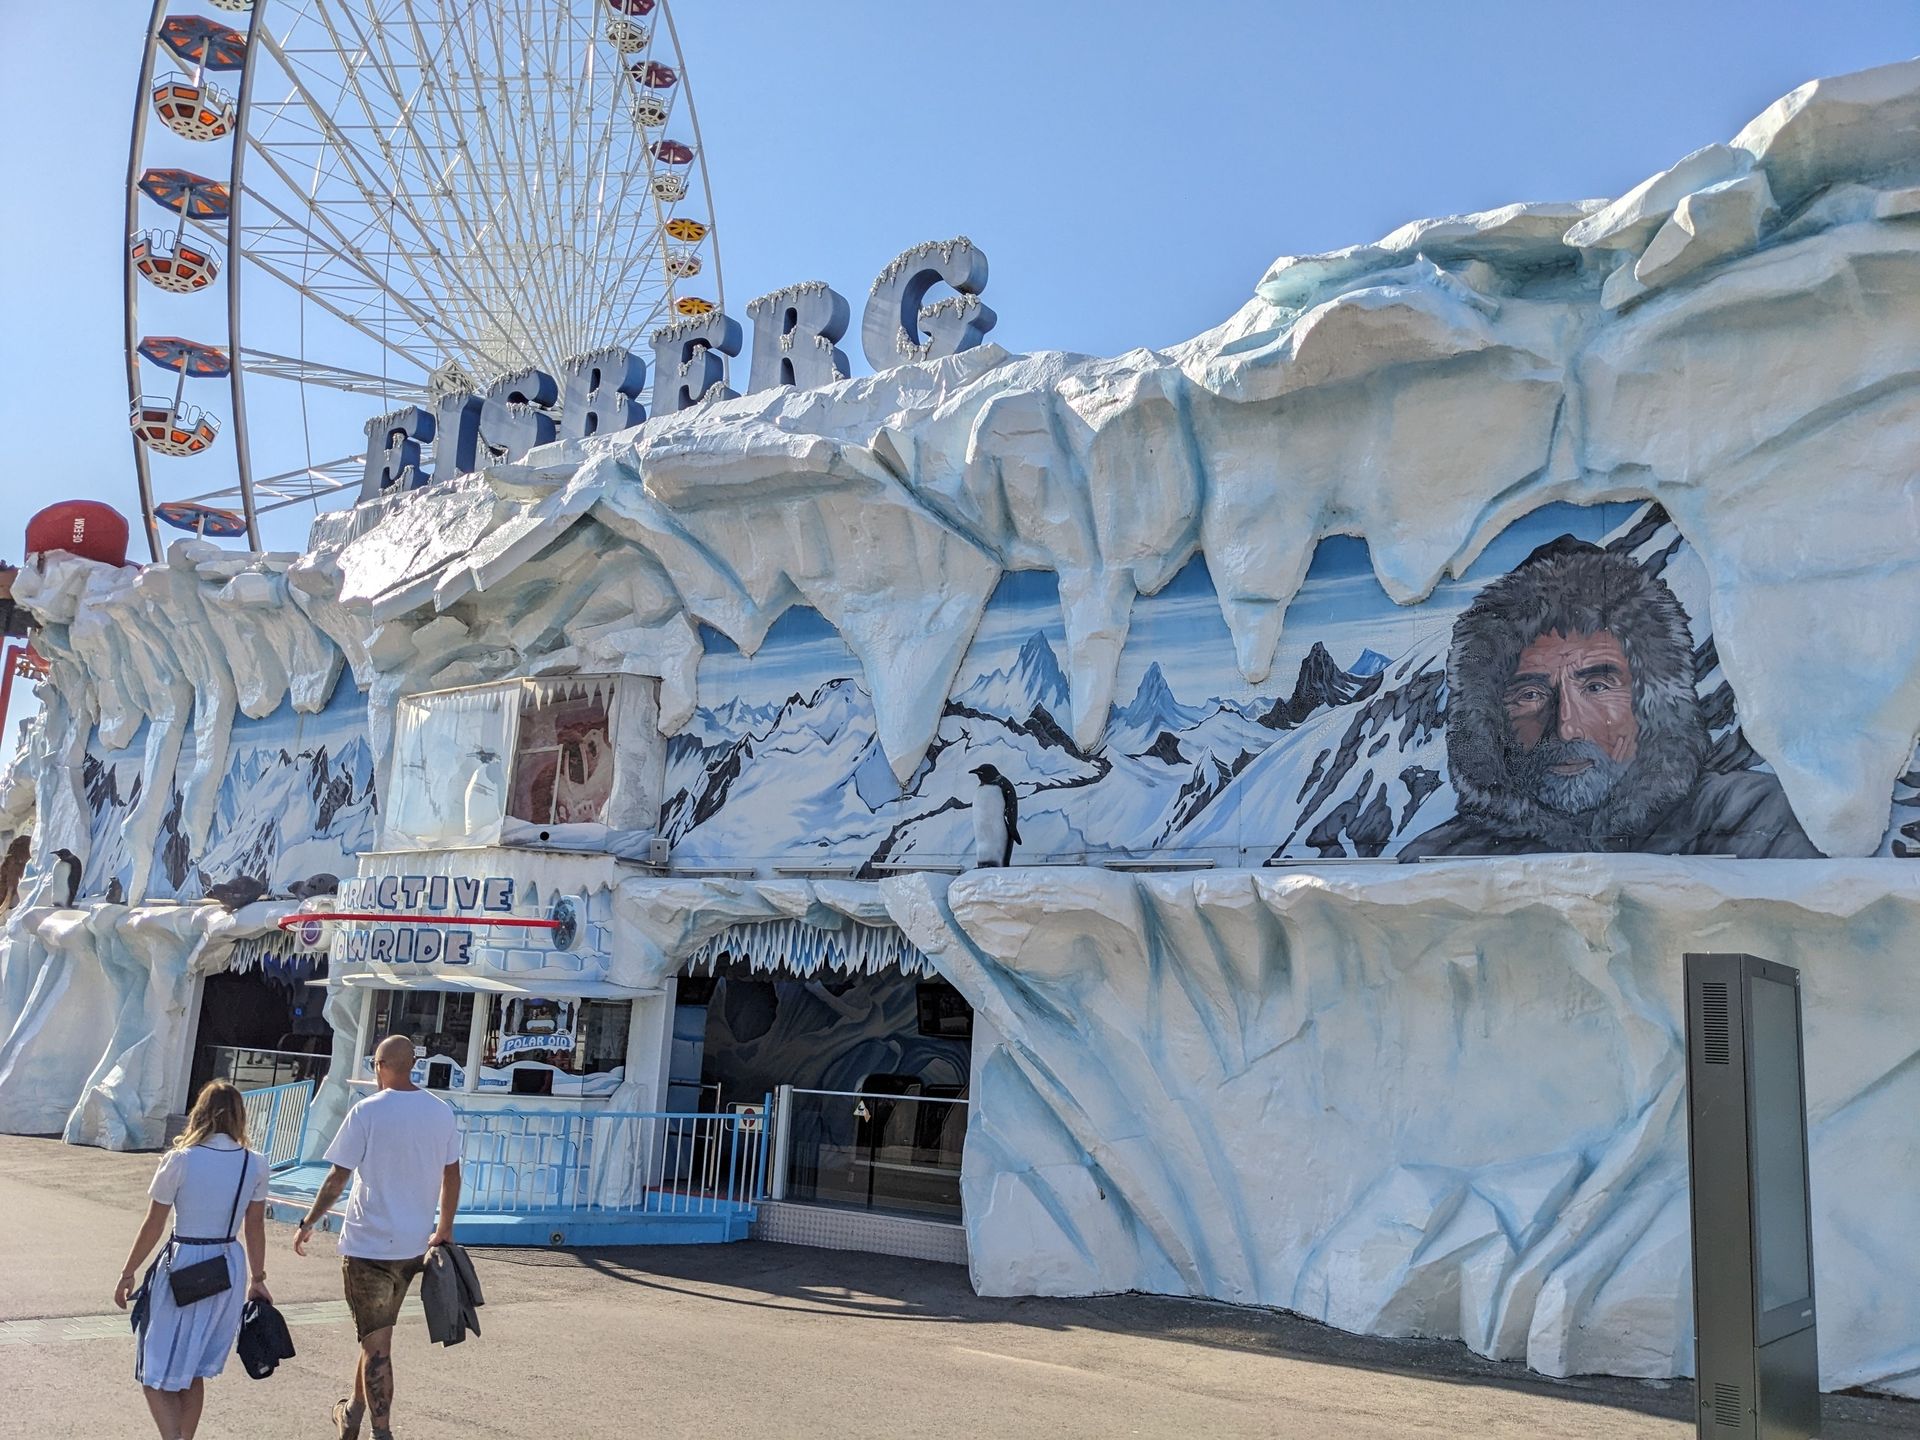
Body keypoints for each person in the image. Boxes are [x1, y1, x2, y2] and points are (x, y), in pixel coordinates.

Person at [1400, 537, 1820, 859]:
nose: (1567, 727)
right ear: (1489, 720)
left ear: (1652, 701)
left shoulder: (1755, 820)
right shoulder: (1440, 858)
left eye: (1597, 686)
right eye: (1530, 693)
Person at [295, 1034, 462, 1440]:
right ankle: (352, 1412)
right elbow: (452, 1174)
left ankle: (381, 1431)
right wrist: (444, 1228)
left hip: (368, 1246)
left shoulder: (367, 1111)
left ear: (380, 1066)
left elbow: (338, 1176)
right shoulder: (440, 1112)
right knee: (377, 1333)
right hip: (412, 1246)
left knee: (378, 1345)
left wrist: (309, 1220)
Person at [113, 1079, 272, 1440]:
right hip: (228, 1265)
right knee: (193, 1369)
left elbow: (154, 1223)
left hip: (184, 1262)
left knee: (153, 1369)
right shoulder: (255, 1163)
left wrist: (128, 1271)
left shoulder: (180, 1160)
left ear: (200, 1112)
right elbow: (255, 1225)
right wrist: (258, 1278)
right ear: (239, 1116)